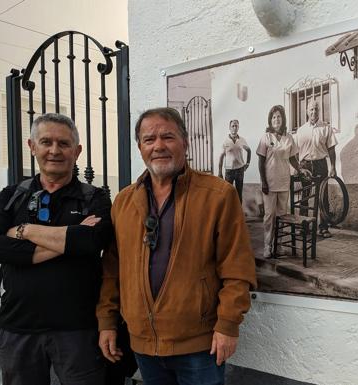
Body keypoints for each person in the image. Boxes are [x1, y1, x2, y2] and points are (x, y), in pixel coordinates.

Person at [96, 107, 257, 385]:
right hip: (143, 345)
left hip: (200, 347)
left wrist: (228, 325)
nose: (159, 145)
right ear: (140, 147)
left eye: (168, 137)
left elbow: (237, 268)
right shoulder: (123, 202)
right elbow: (112, 269)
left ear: (185, 142)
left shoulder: (218, 195)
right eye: (149, 139)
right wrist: (107, 322)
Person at [0, 113, 113, 385]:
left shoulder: (94, 198)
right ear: (32, 146)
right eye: (46, 142)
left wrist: (24, 232)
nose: (54, 150)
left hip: (78, 330)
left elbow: (92, 241)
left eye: (63, 144)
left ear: (77, 151)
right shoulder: (10, 197)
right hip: (18, 329)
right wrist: (70, 240)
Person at [257, 105, 308, 258]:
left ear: (283, 119)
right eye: (273, 117)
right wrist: (263, 182)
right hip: (270, 183)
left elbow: (292, 158)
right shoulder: (266, 137)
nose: (276, 119)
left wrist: (300, 169)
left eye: (279, 117)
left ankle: (278, 246)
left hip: (284, 182)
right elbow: (261, 161)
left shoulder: (289, 137)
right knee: (269, 216)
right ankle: (267, 246)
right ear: (270, 120)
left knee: (281, 215)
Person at [294, 99, 337, 238]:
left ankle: (323, 228)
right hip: (305, 165)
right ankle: (303, 226)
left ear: (320, 111)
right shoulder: (301, 130)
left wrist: (333, 167)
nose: (313, 112)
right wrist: (299, 166)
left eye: (316, 109)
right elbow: (295, 151)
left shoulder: (326, 128)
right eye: (311, 109)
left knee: (322, 196)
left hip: (320, 164)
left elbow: (331, 150)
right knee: (305, 196)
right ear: (307, 111)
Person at [218, 119, 251, 202]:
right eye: (233, 126)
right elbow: (221, 157)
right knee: (228, 193)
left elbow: (249, 150)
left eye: (236, 126)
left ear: (238, 127)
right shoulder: (225, 141)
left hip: (240, 170)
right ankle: (229, 213)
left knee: (239, 194)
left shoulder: (242, 140)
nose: (235, 127)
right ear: (229, 128)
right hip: (229, 171)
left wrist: (247, 163)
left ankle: (238, 214)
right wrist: (219, 172)